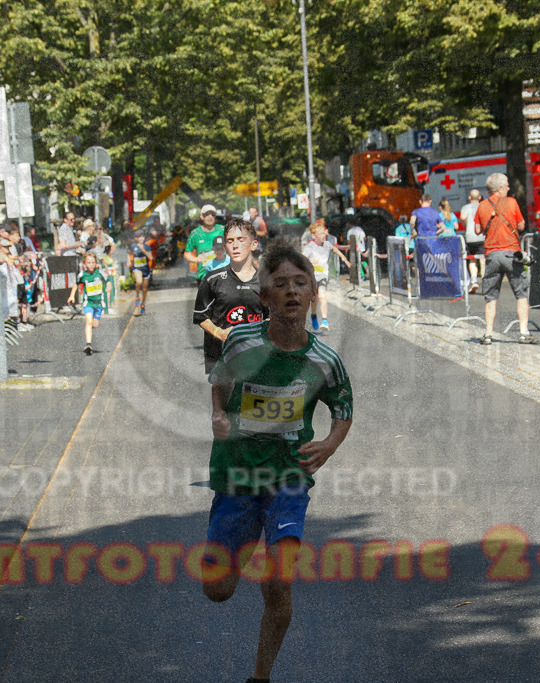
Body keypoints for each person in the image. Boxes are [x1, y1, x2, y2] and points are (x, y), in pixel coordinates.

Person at [202, 242, 353, 683]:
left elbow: (343, 411)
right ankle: (245, 540)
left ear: (312, 295)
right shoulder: (242, 341)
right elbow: (221, 381)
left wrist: (328, 444)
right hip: (237, 473)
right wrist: (218, 413)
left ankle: (260, 676)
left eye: (300, 284)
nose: (291, 291)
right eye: (280, 285)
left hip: (289, 477)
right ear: (265, 298)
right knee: (217, 590)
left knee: (279, 582)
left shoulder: (325, 360)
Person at [193, 219, 265, 374]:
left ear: (253, 244)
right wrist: (220, 333)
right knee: (223, 392)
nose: (235, 245)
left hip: (257, 355)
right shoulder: (212, 280)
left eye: (241, 240)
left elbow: (273, 317)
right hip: (221, 354)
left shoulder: (265, 282)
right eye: (230, 241)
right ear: (225, 247)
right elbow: (200, 316)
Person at [474, 172, 538, 345]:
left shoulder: (482, 206)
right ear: (500, 188)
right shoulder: (512, 202)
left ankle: (488, 334)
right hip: (511, 253)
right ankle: (524, 333)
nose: (509, 188)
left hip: (492, 255)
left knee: (490, 295)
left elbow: (478, 230)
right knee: (521, 293)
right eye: (507, 185)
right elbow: (521, 225)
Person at [301, 221, 351, 332]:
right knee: (315, 299)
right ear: (314, 236)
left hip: (323, 275)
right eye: (322, 234)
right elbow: (302, 259)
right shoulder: (310, 246)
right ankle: (314, 315)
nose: (325, 236)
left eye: (325, 233)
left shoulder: (327, 244)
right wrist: (311, 261)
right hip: (312, 277)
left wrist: (345, 260)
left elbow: (335, 250)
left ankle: (324, 320)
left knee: (323, 296)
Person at [67, 251, 108, 355]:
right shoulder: (83, 275)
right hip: (88, 303)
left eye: (93, 262)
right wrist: (72, 296)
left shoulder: (100, 273)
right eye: (89, 263)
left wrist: (108, 286)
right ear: (84, 264)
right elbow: (76, 284)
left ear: (96, 263)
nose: (91, 265)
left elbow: (108, 280)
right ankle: (88, 344)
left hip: (98, 304)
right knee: (88, 321)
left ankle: (91, 328)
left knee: (95, 324)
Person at [185, 204, 224, 283]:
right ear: (202, 217)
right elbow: (187, 254)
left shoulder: (222, 230)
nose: (210, 217)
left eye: (213, 214)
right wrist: (196, 259)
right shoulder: (195, 233)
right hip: (204, 277)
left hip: (222, 276)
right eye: (207, 214)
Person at [460, 189, 485, 293]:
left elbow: (463, 218)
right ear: (480, 197)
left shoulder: (465, 207)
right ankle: (485, 283)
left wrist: (465, 222)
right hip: (482, 236)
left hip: (470, 237)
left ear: (469, 197)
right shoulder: (483, 207)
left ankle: (474, 280)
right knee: (483, 260)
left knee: (472, 259)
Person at [127, 230, 153, 316]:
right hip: (137, 268)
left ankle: (143, 304)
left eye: (143, 236)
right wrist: (128, 261)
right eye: (139, 237)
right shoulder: (133, 246)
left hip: (145, 269)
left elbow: (150, 257)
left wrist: (143, 249)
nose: (142, 238)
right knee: (139, 282)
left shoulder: (147, 246)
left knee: (145, 289)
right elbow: (129, 252)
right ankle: (137, 296)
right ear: (136, 238)